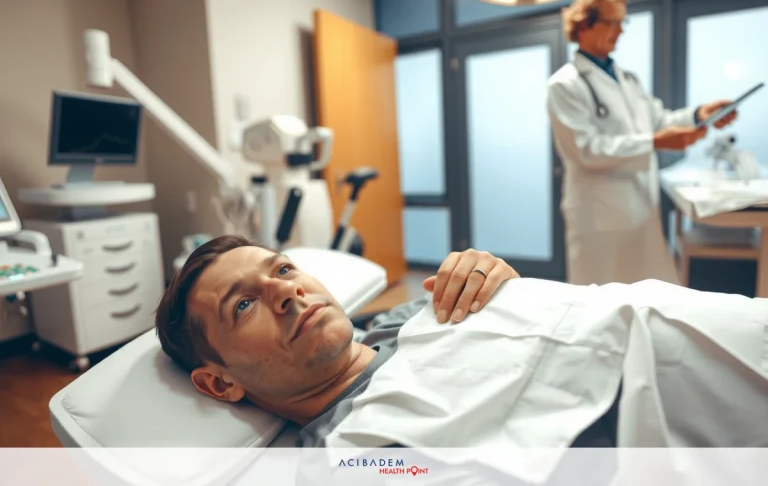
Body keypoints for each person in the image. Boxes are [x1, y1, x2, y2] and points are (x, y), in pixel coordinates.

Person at [155, 234, 768, 468]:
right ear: (220, 383)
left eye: (283, 268)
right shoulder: (346, 457)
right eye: (243, 304)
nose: (286, 292)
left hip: (685, 326)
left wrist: (498, 277)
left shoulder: (407, 312)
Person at [547, 0, 738, 286]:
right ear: (584, 25)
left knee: (651, 299)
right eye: (612, 22)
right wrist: (655, 142)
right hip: (599, 218)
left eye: (623, 22)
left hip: (640, 209)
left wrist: (700, 114)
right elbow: (586, 150)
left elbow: (659, 120)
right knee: (603, 307)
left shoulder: (628, 79)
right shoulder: (565, 85)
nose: (620, 31)